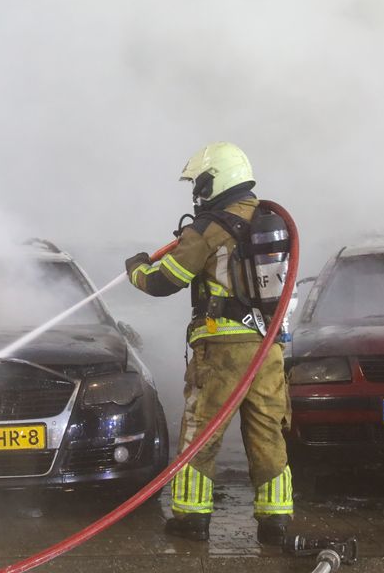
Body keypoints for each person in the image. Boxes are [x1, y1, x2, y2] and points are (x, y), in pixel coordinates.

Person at [125, 142, 293, 545]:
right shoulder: (269, 220)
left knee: (201, 430)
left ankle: (191, 518)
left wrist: (136, 269)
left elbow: (164, 281)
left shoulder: (209, 226)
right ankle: (276, 521)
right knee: (267, 429)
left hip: (222, 347)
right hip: (267, 347)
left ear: (215, 179)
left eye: (199, 183)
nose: (196, 193)